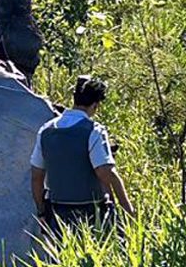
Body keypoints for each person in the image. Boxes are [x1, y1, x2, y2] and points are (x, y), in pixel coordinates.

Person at [30, 75, 135, 236]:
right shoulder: (93, 130)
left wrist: (42, 211)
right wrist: (128, 209)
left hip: (57, 212)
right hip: (91, 214)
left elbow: (37, 176)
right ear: (95, 105)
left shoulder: (46, 130)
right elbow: (106, 173)